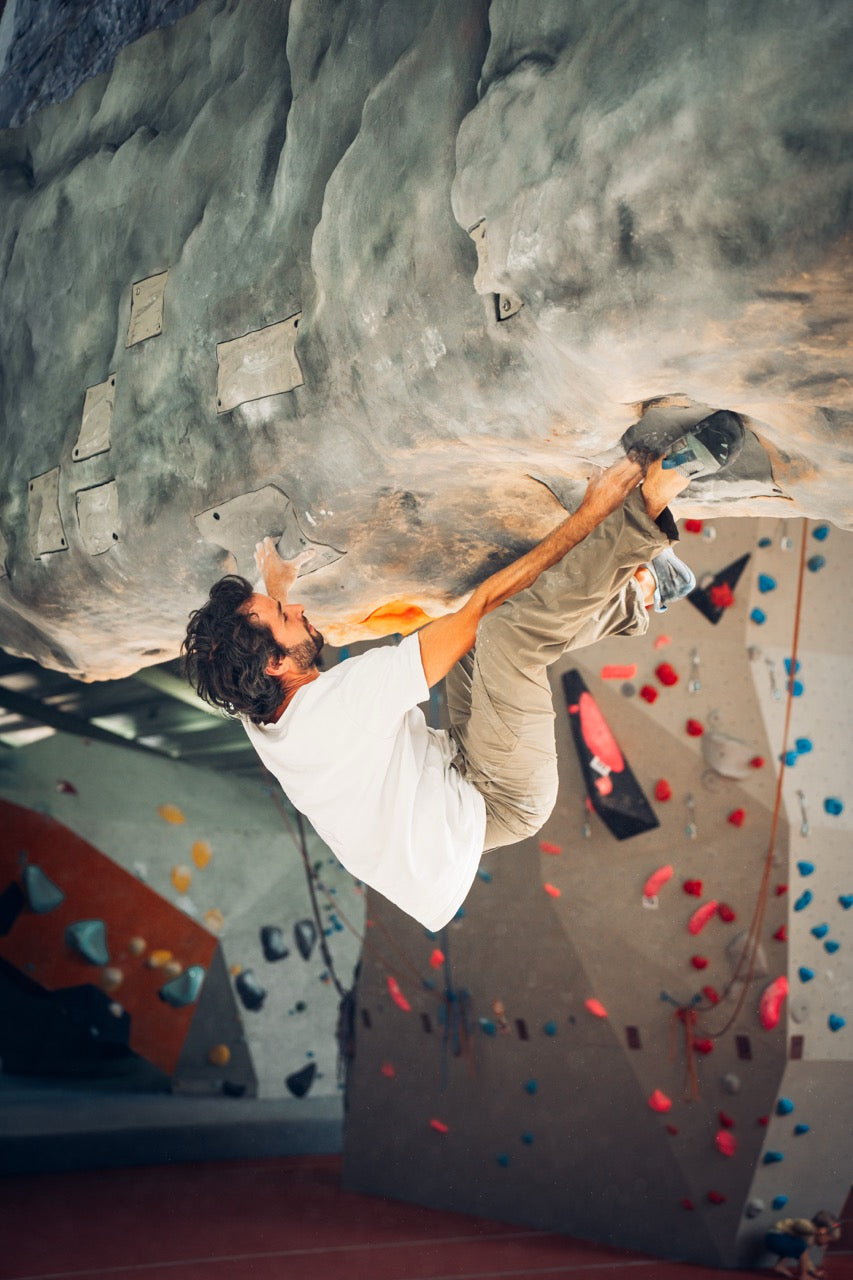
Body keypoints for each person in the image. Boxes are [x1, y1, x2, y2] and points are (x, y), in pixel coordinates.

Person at [183, 416, 740, 930]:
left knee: (490, 638)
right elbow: (479, 608)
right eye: (287, 616)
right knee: (501, 632)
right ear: (277, 664)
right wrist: (594, 512)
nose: (299, 609)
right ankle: (651, 507)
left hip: (453, 776)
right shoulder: (345, 708)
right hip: (500, 799)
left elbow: (243, 655)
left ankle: (643, 595)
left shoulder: (259, 706)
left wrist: (272, 588)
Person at [764, 1211, 841, 1279]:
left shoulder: (809, 1239)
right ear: (823, 1231)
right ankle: (803, 1276)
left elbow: (805, 1258)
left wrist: (814, 1272)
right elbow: (798, 1224)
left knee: (798, 1247)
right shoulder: (809, 1226)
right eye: (828, 1241)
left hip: (778, 1240)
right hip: (775, 1236)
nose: (826, 1245)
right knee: (801, 1247)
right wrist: (814, 1230)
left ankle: (780, 1266)